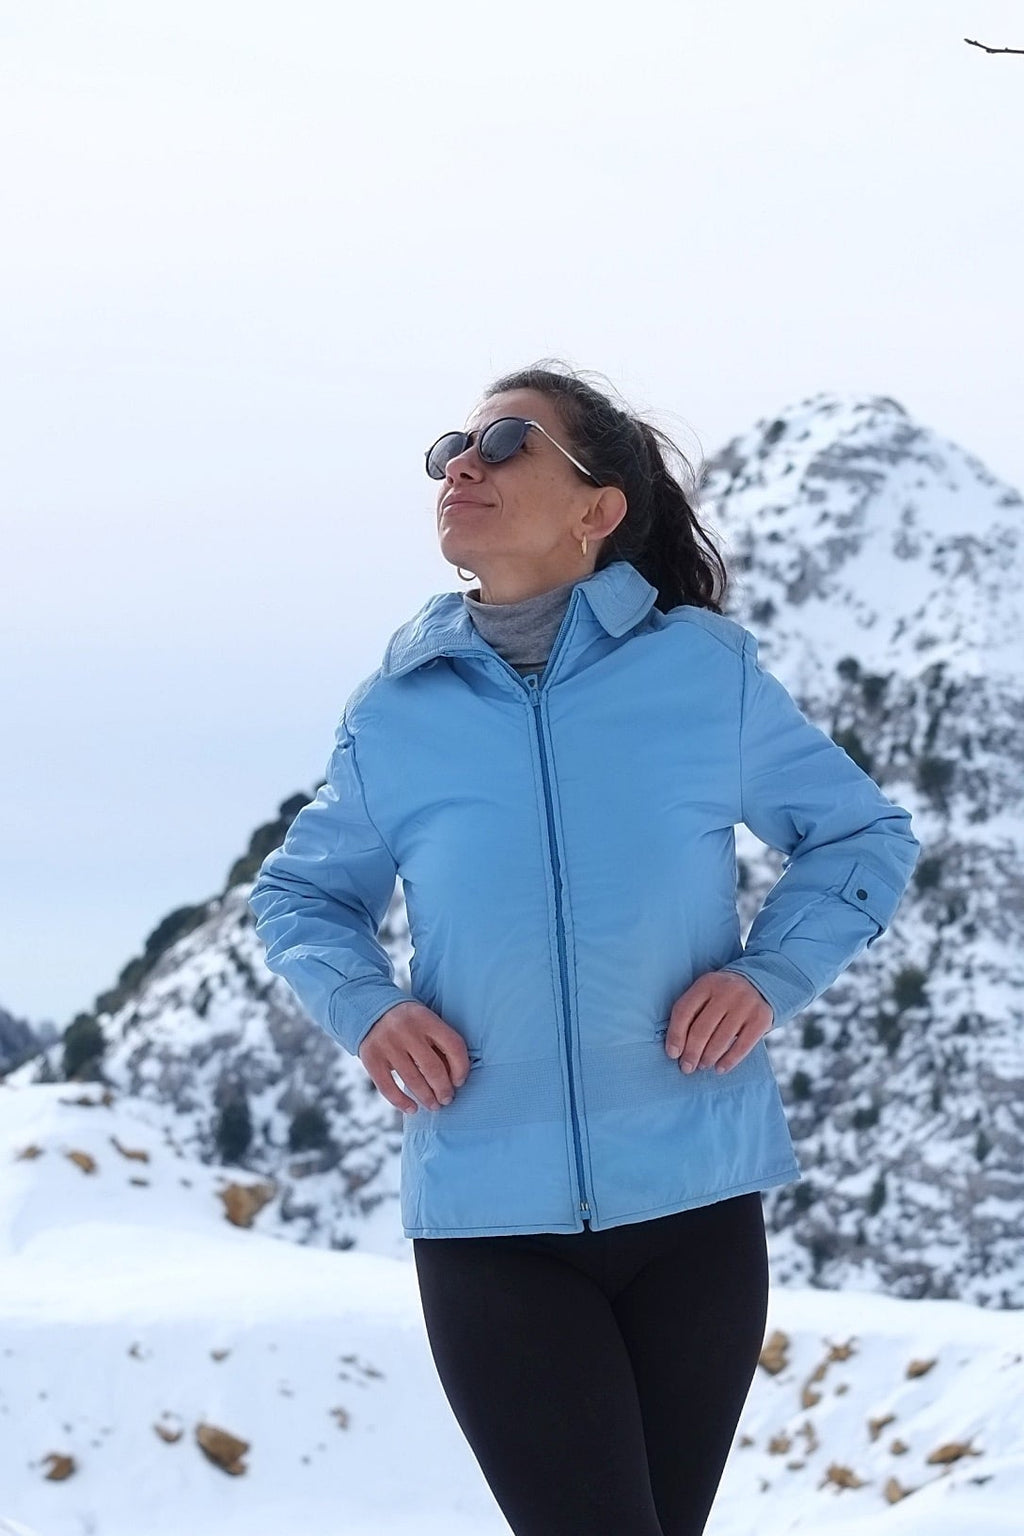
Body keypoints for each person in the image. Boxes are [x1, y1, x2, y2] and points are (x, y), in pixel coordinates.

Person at [248, 361, 921, 1535]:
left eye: (506, 441)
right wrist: (368, 1005)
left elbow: (860, 836)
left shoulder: (703, 676)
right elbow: (303, 896)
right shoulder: (396, 710)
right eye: (452, 444)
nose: (464, 461)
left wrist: (769, 975)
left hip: (698, 1212)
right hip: (490, 1229)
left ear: (596, 510)